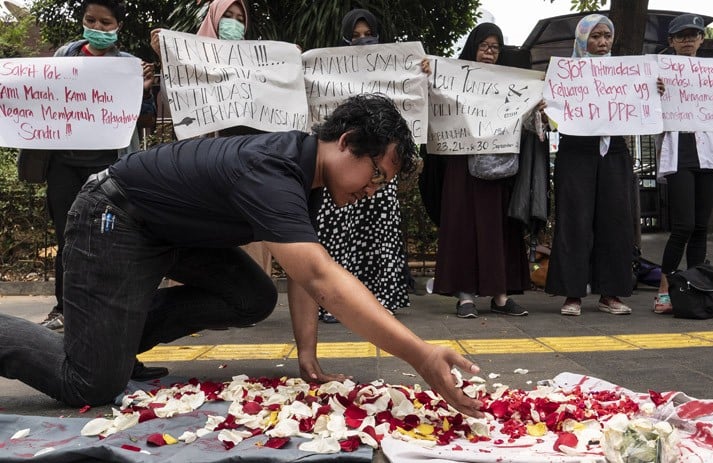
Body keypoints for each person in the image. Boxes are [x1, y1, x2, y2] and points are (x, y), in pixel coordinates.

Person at [0, 94, 484, 418]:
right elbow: (321, 278)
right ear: (348, 144)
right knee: (90, 384)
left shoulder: (308, 177)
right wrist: (420, 356)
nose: (373, 191)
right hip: (115, 217)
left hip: (169, 234)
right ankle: (91, 349)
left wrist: (308, 356)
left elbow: (300, 272)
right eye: (377, 175)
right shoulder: (274, 170)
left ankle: (110, 340)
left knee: (251, 296)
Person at [27, 0, 161, 380]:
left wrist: (141, 90)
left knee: (113, 245)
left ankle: (118, 347)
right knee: (68, 239)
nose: (97, 27)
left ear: (118, 26)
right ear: (82, 22)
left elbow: (148, 119)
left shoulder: (131, 66)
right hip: (63, 166)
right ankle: (64, 312)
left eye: (105, 22)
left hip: (111, 169)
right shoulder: (61, 58)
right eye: (91, 20)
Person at [150, 0, 273, 276]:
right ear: (213, 18)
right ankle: (200, 293)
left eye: (240, 18)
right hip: (203, 161)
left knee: (245, 226)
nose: (234, 23)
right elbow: (174, 106)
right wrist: (166, 60)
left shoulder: (257, 60)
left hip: (245, 159)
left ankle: (249, 295)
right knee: (204, 226)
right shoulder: (190, 57)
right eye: (227, 16)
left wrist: (287, 65)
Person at [314, 8, 415, 324]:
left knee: (378, 234)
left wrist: (421, 73)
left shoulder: (398, 72)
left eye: (367, 34)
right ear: (344, 40)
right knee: (339, 234)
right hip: (349, 168)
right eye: (355, 36)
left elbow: (415, 101)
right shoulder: (326, 73)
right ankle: (335, 301)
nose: (362, 41)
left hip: (377, 168)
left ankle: (379, 298)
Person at [432, 23, 530, 319]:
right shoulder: (451, 79)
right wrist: (428, 72)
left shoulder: (508, 82)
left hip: (497, 168)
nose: (489, 53)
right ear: (473, 47)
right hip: (462, 166)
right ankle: (465, 297)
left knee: (498, 229)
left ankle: (501, 295)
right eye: (484, 46)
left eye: (495, 47)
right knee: (463, 227)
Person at [545, 14, 635, 317]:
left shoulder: (627, 72)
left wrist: (653, 90)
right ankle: (573, 293)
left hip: (614, 150)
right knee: (574, 220)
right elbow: (553, 115)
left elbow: (640, 102)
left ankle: (610, 293)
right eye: (595, 36)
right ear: (582, 39)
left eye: (606, 36)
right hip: (576, 150)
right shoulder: (566, 72)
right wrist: (548, 105)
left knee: (616, 220)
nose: (602, 42)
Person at [652, 14, 713, 314]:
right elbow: (644, 107)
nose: (687, 40)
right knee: (682, 226)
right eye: (681, 36)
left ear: (702, 39)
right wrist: (653, 91)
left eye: (693, 35)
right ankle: (664, 289)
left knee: (700, 227)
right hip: (680, 152)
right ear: (671, 41)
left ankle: (696, 288)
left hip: (708, 153)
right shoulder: (660, 71)